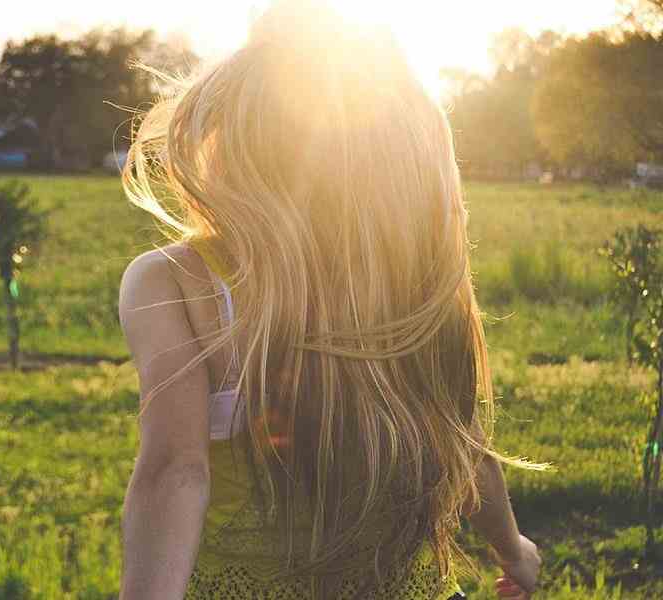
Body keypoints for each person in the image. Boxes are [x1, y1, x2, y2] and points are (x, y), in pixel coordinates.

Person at [116, 2, 546, 598]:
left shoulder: (174, 280)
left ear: (231, 134)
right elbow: (464, 445)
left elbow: (175, 471)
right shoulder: (408, 281)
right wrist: (513, 549)